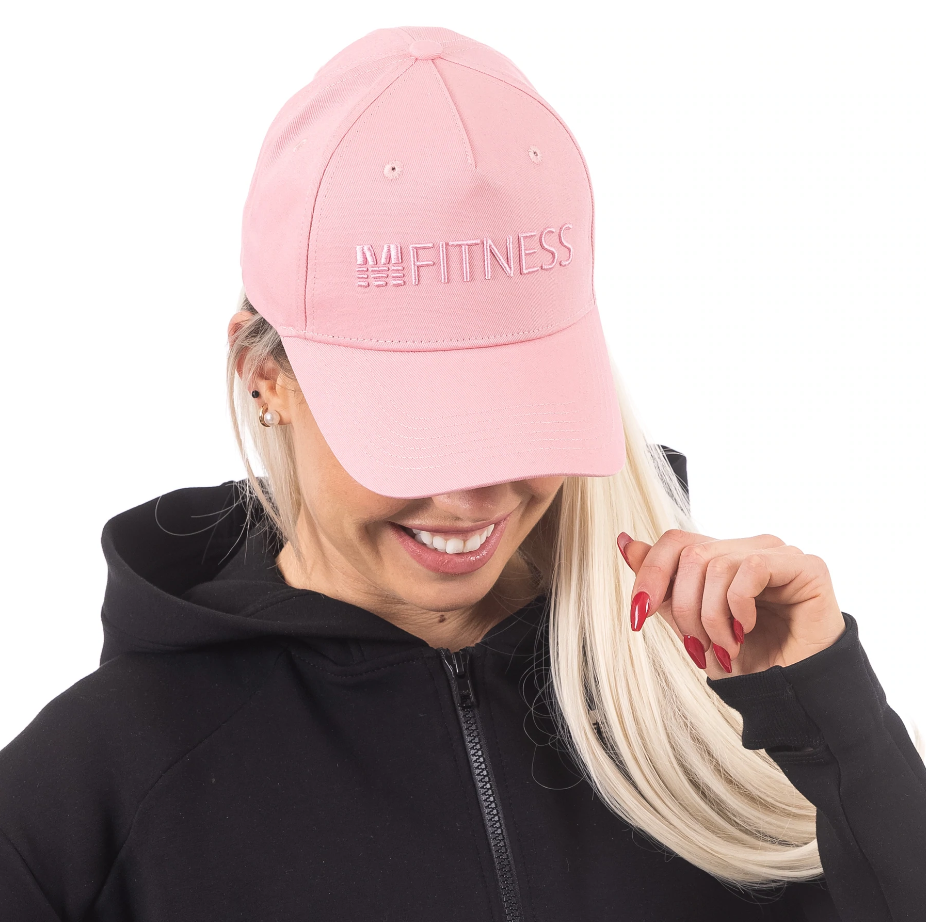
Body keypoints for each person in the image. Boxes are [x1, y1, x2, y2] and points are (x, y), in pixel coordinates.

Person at [1, 25, 923, 922]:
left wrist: (830, 718)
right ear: (264, 375)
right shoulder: (90, 792)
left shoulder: (711, 705)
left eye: (519, 412)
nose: (478, 497)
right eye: (415, 429)